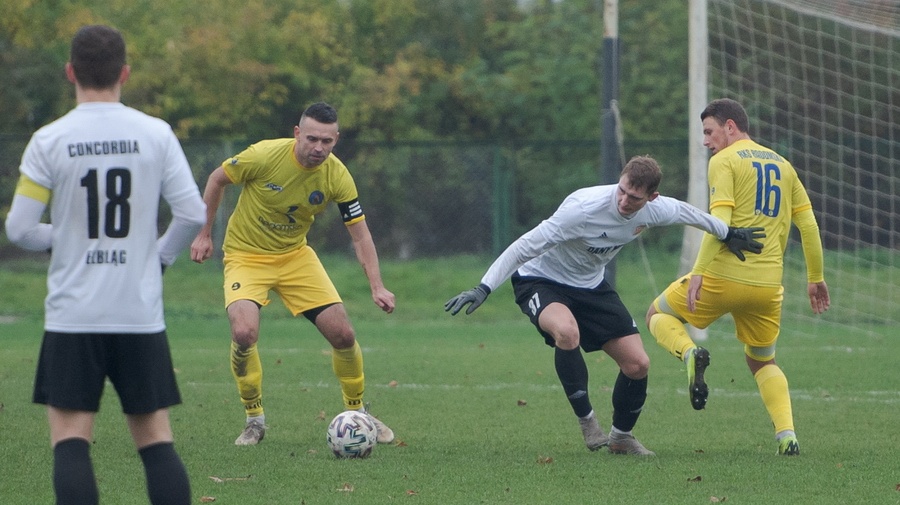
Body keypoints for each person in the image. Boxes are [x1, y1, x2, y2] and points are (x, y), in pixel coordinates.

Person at [3, 25, 204, 505]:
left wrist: (65, 239)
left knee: (70, 439)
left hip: (74, 316)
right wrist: (157, 261)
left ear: (69, 72)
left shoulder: (49, 139)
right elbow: (190, 214)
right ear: (125, 73)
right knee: (156, 437)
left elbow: (18, 228)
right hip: (138, 314)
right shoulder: (156, 133)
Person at [445, 155, 764, 455]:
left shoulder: (655, 210)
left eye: (634, 198)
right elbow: (524, 246)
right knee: (567, 333)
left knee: (638, 365)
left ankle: (621, 438)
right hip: (540, 280)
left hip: (591, 287)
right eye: (622, 191)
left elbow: (689, 213)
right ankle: (588, 422)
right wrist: (484, 287)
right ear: (620, 182)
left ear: (651, 197)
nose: (624, 201)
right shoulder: (582, 209)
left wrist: (728, 232)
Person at [190, 102, 396, 446]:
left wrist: (377, 286)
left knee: (344, 334)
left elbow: (360, 234)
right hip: (246, 256)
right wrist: (204, 233)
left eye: (327, 142)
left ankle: (358, 413)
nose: (319, 148)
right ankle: (254, 418)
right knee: (244, 332)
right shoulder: (263, 156)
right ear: (297, 133)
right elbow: (216, 179)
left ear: (336, 140)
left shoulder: (337, 175)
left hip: (295, 257)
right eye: (312, 139)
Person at [646, 98, 830, 456]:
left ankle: (689, 354)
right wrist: (815, 277)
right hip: (767, 287)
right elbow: (807, 224)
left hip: (723, 278)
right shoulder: (783, 164)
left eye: (709, 131)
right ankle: (787, 435)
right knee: (762, 360)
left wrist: (698, 272)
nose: (705, 141)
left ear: (731, 127)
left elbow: (720, 224)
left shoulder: (724, 161)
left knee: (657, 314)